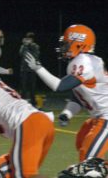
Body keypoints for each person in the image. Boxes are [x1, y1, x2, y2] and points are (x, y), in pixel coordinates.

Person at [25, 24, 108, 161]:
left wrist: (38, 68)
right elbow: (78, 95)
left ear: (79, 44)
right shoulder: (83, 62)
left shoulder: (85, 62)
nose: (64, 47)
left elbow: (60, 86)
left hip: (106, 118)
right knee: (81, 142)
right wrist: (67, 113)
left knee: (89, 158)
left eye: (67, 43)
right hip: (98, 117)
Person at [19, 32, 40, 106]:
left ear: (32, 39)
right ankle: (22, 104)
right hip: (24, 69)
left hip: (32, 70)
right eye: (27, 38)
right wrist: (25, 46)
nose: (27, 40)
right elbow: (21, 54)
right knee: (23, 87)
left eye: (29, 39)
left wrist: (29, 46)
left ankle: (34, 103)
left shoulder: (35, 46)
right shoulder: (23, 46)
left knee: (32, 88)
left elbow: (35, 56)